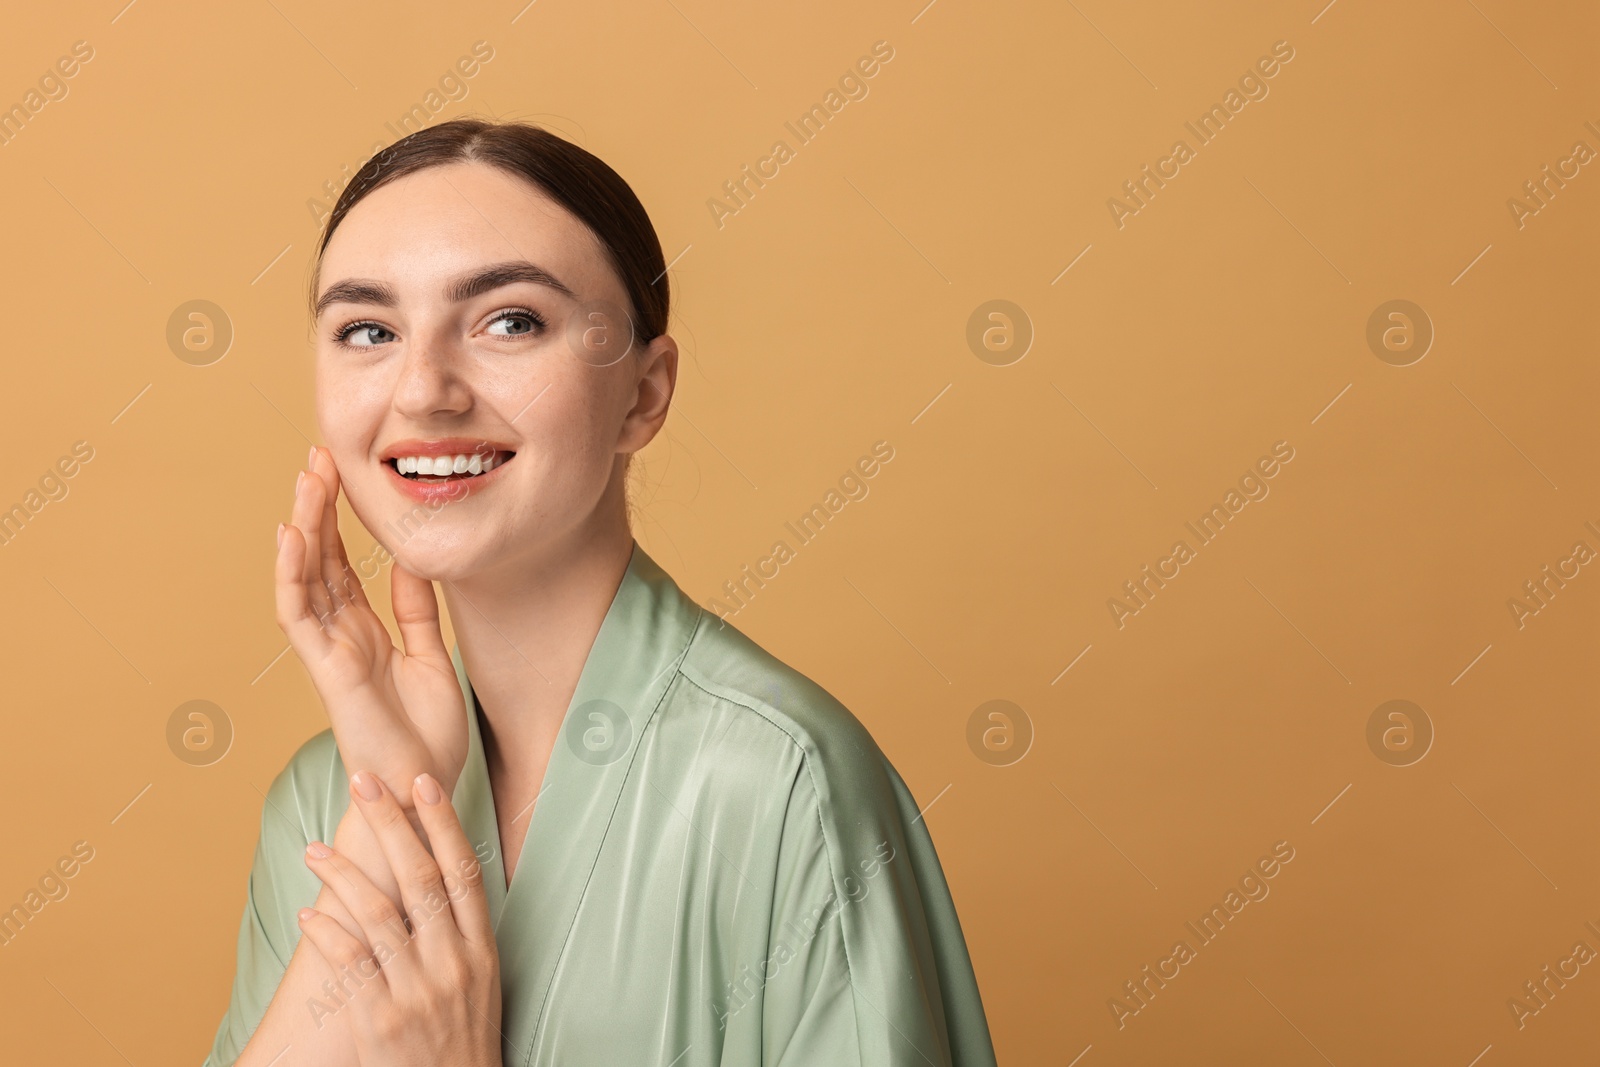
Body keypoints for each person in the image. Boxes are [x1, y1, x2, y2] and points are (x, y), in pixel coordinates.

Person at [204, 118, 996, 1066]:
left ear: (645, 394)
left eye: (511, 321)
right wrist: (393, 808)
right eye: (368, 329)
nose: (422, 389)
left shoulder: (779, 782)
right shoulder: (322, 799)